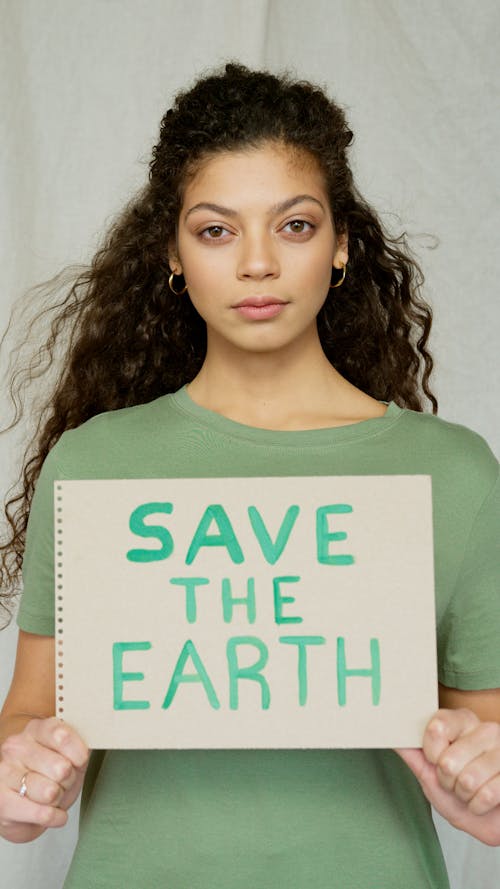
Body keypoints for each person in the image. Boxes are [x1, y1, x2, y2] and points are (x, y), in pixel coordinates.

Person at [0, 62, 498, 889]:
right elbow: (28, 715)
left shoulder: (455, 473)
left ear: (341, 244)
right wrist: (20, 782)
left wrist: (484, 790)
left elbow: (485, 742)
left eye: (294, 226)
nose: (258, 263)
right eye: (217, 229)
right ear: (172, 251)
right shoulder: (94, 466)